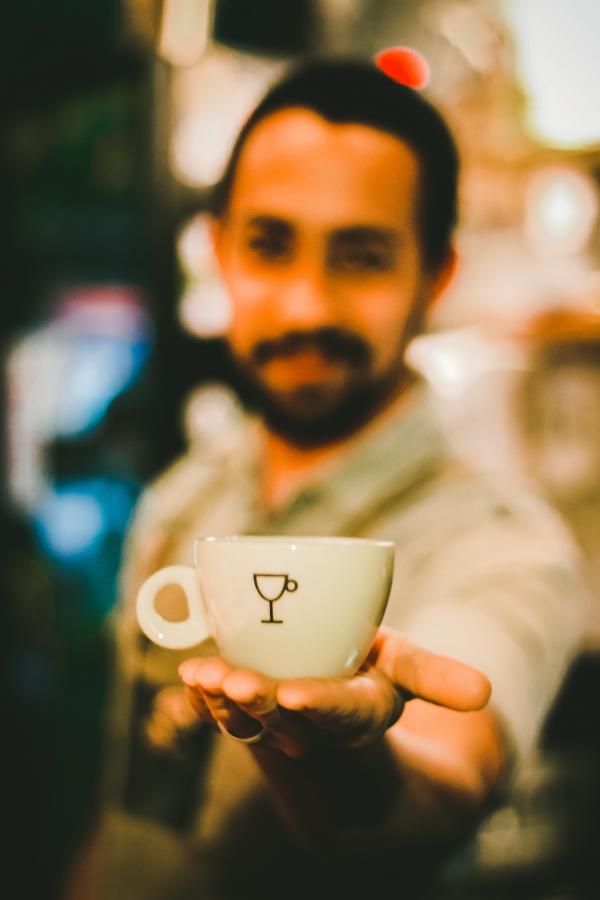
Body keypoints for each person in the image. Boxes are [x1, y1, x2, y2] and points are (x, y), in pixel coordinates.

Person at [73, 59, 585, 900]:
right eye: (270, 245)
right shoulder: (184, 500)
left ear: (435, 277)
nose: (307, 303)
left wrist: (347, 768)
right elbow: (141, 811)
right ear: (221, 249)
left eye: (363, 256)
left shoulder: (504, 546)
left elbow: (433, 797)